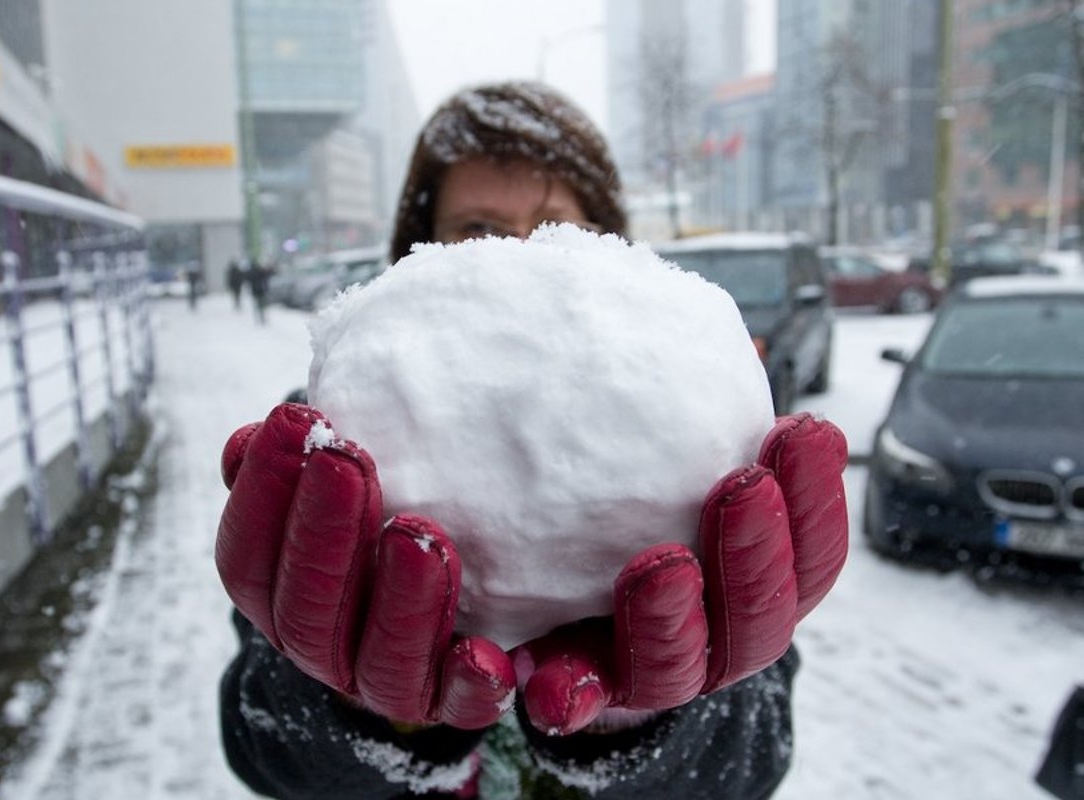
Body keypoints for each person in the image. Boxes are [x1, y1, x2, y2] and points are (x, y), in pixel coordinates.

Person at [216, 81, 849, 799]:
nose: (515, 260)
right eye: (477, 231)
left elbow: (755, 754)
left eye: (548, 226)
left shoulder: (690, 443)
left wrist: (641, 722)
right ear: (418, 252)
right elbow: (259, 740)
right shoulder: (337, 443)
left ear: (605, 250)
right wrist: (365, 711)